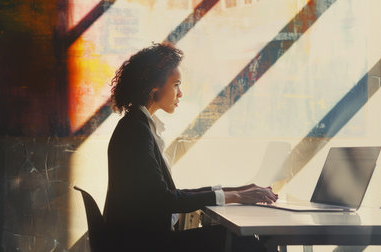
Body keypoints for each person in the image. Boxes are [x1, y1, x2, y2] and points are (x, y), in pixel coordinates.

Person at [103, 42, 278, 252]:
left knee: (236, 239)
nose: (180, 94)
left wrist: (237, 190)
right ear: (154, 87)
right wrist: (236, 197)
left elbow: (166, 193)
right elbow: (164, 199)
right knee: (243, 242)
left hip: (144, 241)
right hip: (146, 245)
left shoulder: (138, 125)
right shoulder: (135, 131)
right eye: (176, 84)